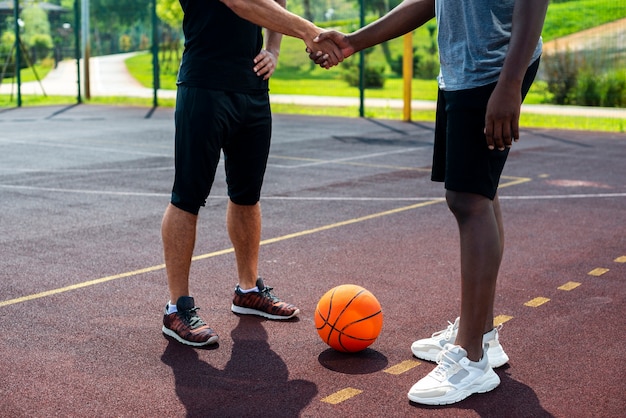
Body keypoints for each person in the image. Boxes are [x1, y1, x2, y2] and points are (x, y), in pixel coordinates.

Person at [310, 0, 548, 405]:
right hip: (462, 70)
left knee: (468, 199)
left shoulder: (498, 73)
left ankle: (471, 359)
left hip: (492, 70)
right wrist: (353, 41)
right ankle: (482, 336)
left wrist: (509, 84)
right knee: (478, 194)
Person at [162, 0, 344, 348]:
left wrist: (273, 49)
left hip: (252, 88)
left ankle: (248, 292)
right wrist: (309, 31)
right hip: (205, 84)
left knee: (247, 195)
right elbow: (241, 2)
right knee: (187, 197)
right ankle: (177, 308)